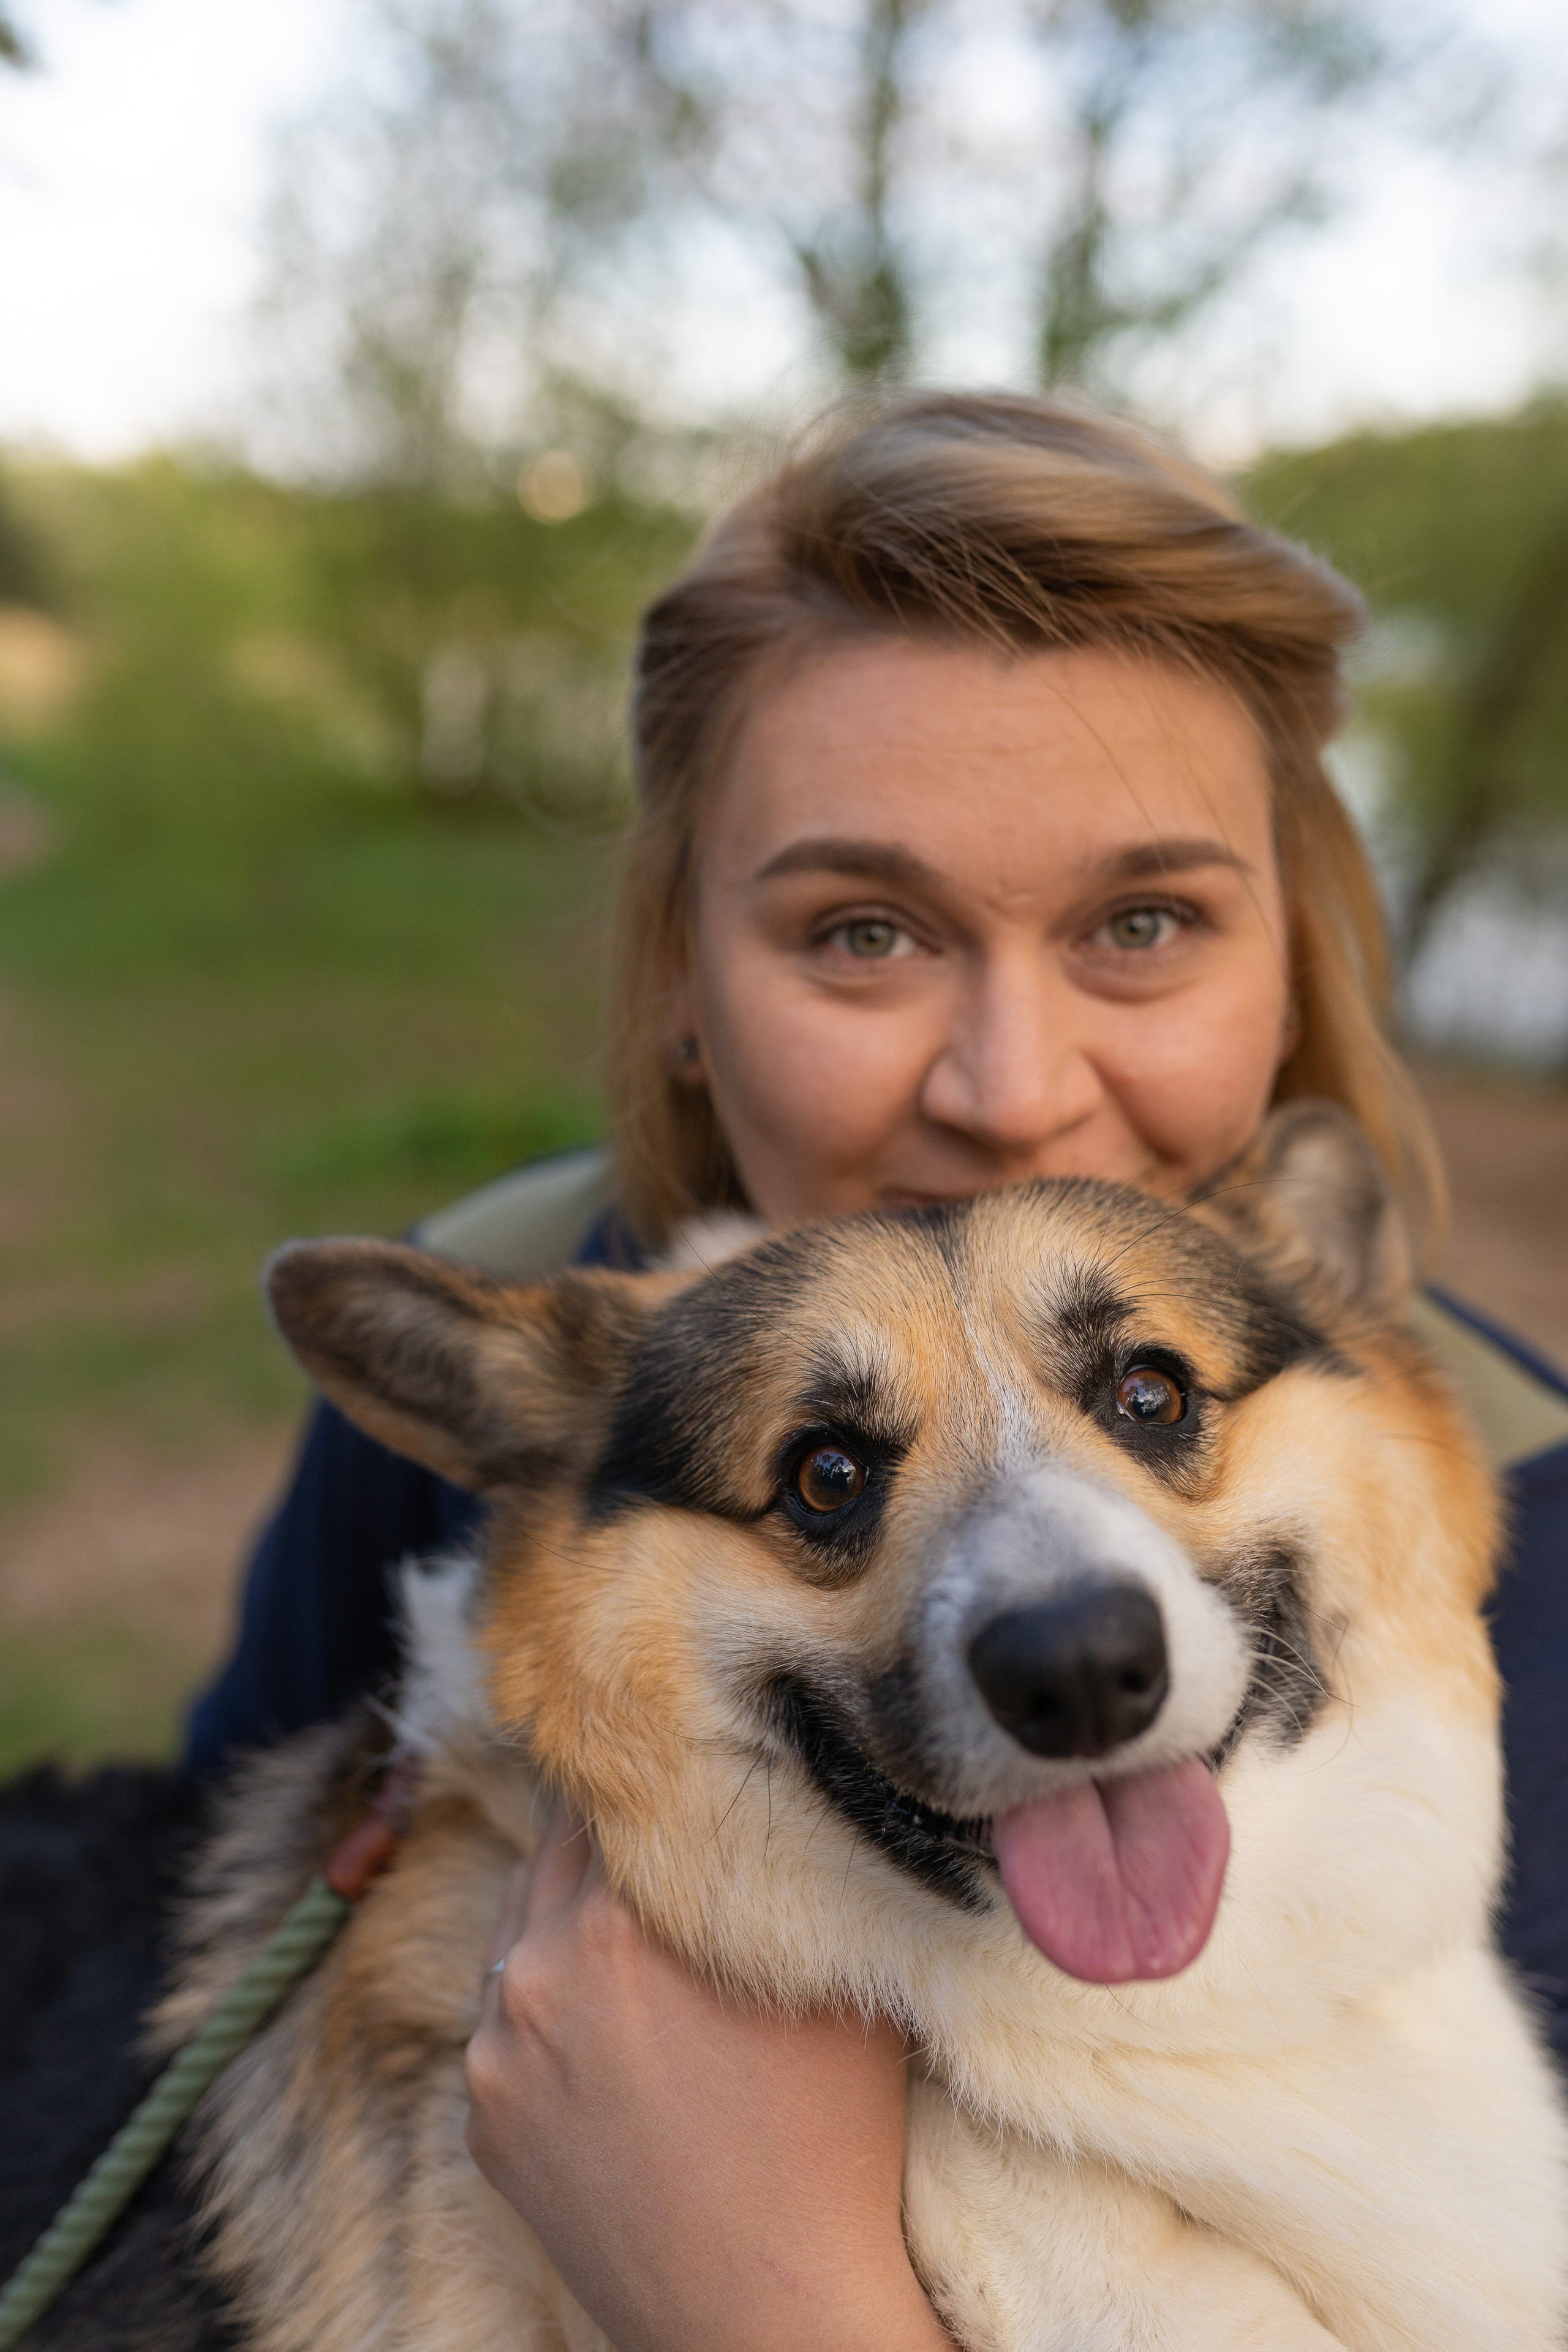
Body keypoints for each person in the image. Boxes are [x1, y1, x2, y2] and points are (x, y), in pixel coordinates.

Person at [186, 392, 1568, 2350]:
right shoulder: (524, 1317)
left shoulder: (1546, 1523)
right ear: (678, 973)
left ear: (1301, 963)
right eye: (864, 931)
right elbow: (181, 1893)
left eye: (1145, 922)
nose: (1011, 1099)